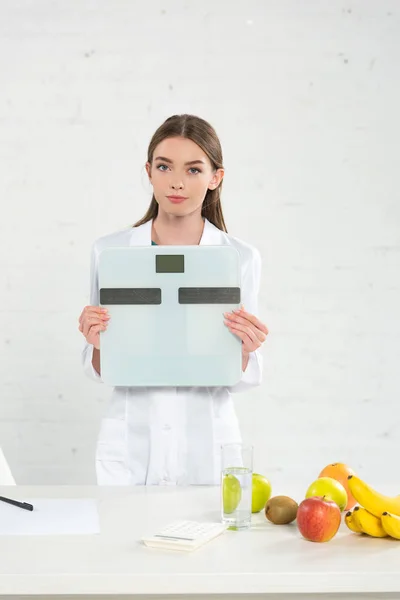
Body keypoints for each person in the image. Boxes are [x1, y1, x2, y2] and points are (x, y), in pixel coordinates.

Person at [79, 114, 269, 486]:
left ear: (216, 177)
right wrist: (95, 340)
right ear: (149, 171)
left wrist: (248, 347)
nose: (177, 182)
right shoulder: (110, 251)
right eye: (164, 166)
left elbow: (237, 375)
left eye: (194, 170)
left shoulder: (240, 257)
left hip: (208, 439)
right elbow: (100, 368)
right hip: (131, 437)